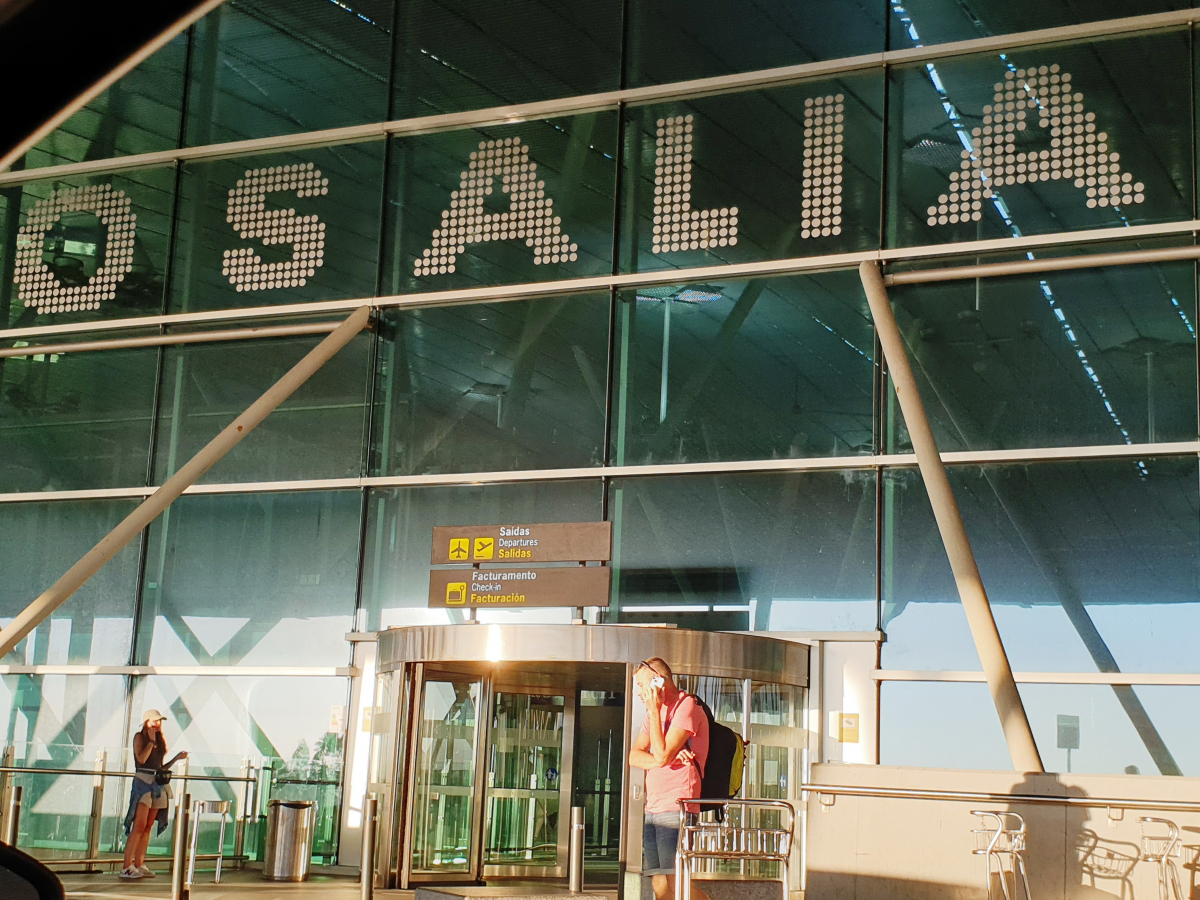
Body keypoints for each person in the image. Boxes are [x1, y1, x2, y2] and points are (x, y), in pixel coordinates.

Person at [628, 658, 711, 900]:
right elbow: (634, 756)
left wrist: (661, 754)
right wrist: (662, 758)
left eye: (643, 687)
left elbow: (662, 753)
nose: (640, 695)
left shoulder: (687, 707)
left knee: (678, 883)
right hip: (653, 807)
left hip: (677, 807)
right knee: (658, 883)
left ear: (659, 682)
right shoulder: (655, 714)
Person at [119, 710, 187, 880]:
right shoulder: (140, 738)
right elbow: (141, 759)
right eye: (154, 721)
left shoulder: (159, 740)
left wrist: (176, 759)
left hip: (157, 782)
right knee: (139, 825)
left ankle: (139, 862)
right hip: (143, 783)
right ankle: (127, 865)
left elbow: (160, 766)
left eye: (159, 722)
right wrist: (150, 741)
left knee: (148, 826)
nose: (157, 724)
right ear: (146, 722)